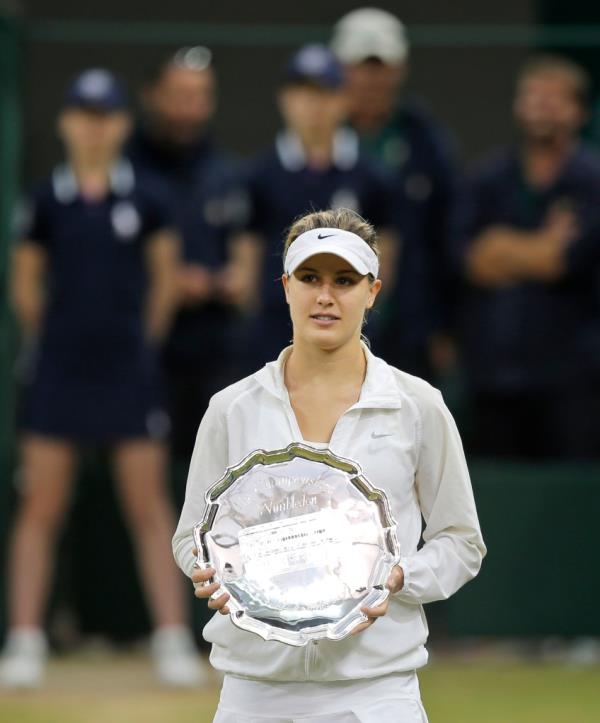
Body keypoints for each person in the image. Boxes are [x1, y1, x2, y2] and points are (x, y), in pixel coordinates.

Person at [173, 208, 486, 722]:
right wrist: (211, 571)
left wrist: (397, 575)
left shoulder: (417, 404)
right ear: (285, 287)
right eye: (310, 278)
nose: (325, 296)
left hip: (378, 692)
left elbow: (461, 541)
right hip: (255, 691)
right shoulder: (231, 407)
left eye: (344, 280)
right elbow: (191, 536)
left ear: (373, 291)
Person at [0, 69, 204, 688]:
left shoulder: (147, 199)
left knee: (149, 506)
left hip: (128, 374)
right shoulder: (43, 201)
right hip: (59, 373)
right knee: (40, 505)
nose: (93, 127)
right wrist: (62, 342)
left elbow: (165, 282)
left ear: (120, 124)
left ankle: (173, 641)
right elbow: (25, 287)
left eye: (106, 115)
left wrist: (134, 346)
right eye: (83, 114)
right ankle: (26, 639)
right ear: (66, 123)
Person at [454, 55, 600, 458]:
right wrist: (539, 246)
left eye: (554, 99)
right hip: (493, 374)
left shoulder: (591, 181)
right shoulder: (488, 178)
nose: (541, 107)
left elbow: (563, 261)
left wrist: (501, 245)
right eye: (533, 97)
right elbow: (470, 260)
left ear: (579, 111)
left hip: (573, 379)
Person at [237, 43, 396, 370]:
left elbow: (385, 259)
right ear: (285, 99)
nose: (314, 104)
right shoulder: (259, 176)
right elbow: (247, 263)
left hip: (353, 334)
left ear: (344, 99)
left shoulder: (373, 176)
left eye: (325, 92)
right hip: (274, 331)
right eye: (304, 92)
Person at [127, 47, 252, 461]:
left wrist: (236, 277)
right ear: (152, 96)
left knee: (220, 468)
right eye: (180, 96)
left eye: (200, 96)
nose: (191, 110)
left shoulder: (225, 173)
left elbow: (245, 250)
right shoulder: (124, 172)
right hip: (142, 348)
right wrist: (167, 282)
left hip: (215, 349)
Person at [331, 8, 460, 380]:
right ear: (339, 67)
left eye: (381, 67)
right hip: (328, 317)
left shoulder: (427, 142)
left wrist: (444, 324)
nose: (372, 79)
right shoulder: (317, 135)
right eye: (361, 66)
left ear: (400, 69)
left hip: (411, 323)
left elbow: (445, 236)